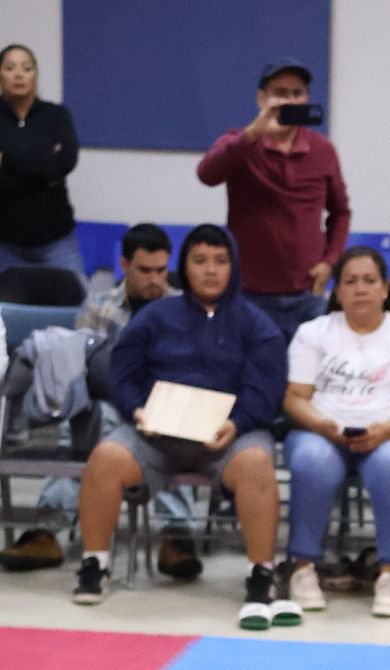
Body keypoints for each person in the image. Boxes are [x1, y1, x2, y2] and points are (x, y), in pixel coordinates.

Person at [72, 225, 299, 630]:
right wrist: (137, 410)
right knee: (106, 457)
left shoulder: (256, 324)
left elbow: (266, 388)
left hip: (228, 435)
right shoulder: (155, 316)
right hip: (156, 434)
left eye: (220, 261)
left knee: (256, 465)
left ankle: (262, 572)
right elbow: (123, 373)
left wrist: (238, 423)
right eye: (200, 261)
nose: (210, 271)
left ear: (233, 266)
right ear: (185, 267)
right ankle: (95, 563)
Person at [1, 224, 203, 579]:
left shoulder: (181, 309)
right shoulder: (98, 307)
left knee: (176, 420)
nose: (156, 280)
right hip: (106, 400)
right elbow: (78, 366)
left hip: (161, 400)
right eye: (145, 271)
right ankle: (48, 529)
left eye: (161, 270)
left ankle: (176, 535)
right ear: (124, 264)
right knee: (84, 417)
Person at [283, 246, 390, 618]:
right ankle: (302, 568)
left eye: (369, 281)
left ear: (385, 288)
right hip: (322, 431)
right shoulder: (313, 333)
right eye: (350, 281)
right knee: (310, 460)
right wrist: (323, 424)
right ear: (336, 291)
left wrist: (385, 430)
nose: (360, 289)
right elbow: (295, 398)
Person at [196, 61, 350, 343]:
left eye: (297, 93)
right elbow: (206, 174)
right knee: (253, 377)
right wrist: (254, 132)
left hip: (307, 296)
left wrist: (330, 261)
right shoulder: (239, 142)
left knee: (307, 380)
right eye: (280, 92)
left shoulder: (323, 150)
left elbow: (341, 213)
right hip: (249, 294)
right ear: (261, 98)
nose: (290, 100)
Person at [0, 43, 83, 278]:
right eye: (10, 67)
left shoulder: (56, 115)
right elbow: (49, 170)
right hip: (4, 243)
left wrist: (6, 158)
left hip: (57, 242)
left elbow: (65, 163)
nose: (18, 74)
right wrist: (43, 172)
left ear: (35, 75)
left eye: (26, 68)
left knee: (82, 310)